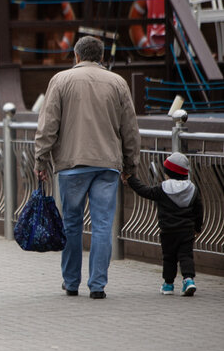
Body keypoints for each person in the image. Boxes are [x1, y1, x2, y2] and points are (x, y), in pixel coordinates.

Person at [34, 36, 140, 299]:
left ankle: (71, 282)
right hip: (107, 164)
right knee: (103, 224)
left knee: (72, 224)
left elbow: (48, 124)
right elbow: (130, 129)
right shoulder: (118, 83)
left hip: (72, 165)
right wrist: (131, 164)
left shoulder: (60, 80)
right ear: (101, 57)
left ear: (76, 55)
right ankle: (98, 285)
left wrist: (40, 158)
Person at [125, 152, 203, 296]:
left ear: (168, 173)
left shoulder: (163, 188)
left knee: (169, 257)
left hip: (168, 230)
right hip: (186, 230)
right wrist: (197, 228)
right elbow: (199, 210)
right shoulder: (192, 189)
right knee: (186, 255)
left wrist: (131, 179)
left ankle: (168, 285)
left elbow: (145, 191)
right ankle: (189, 280)